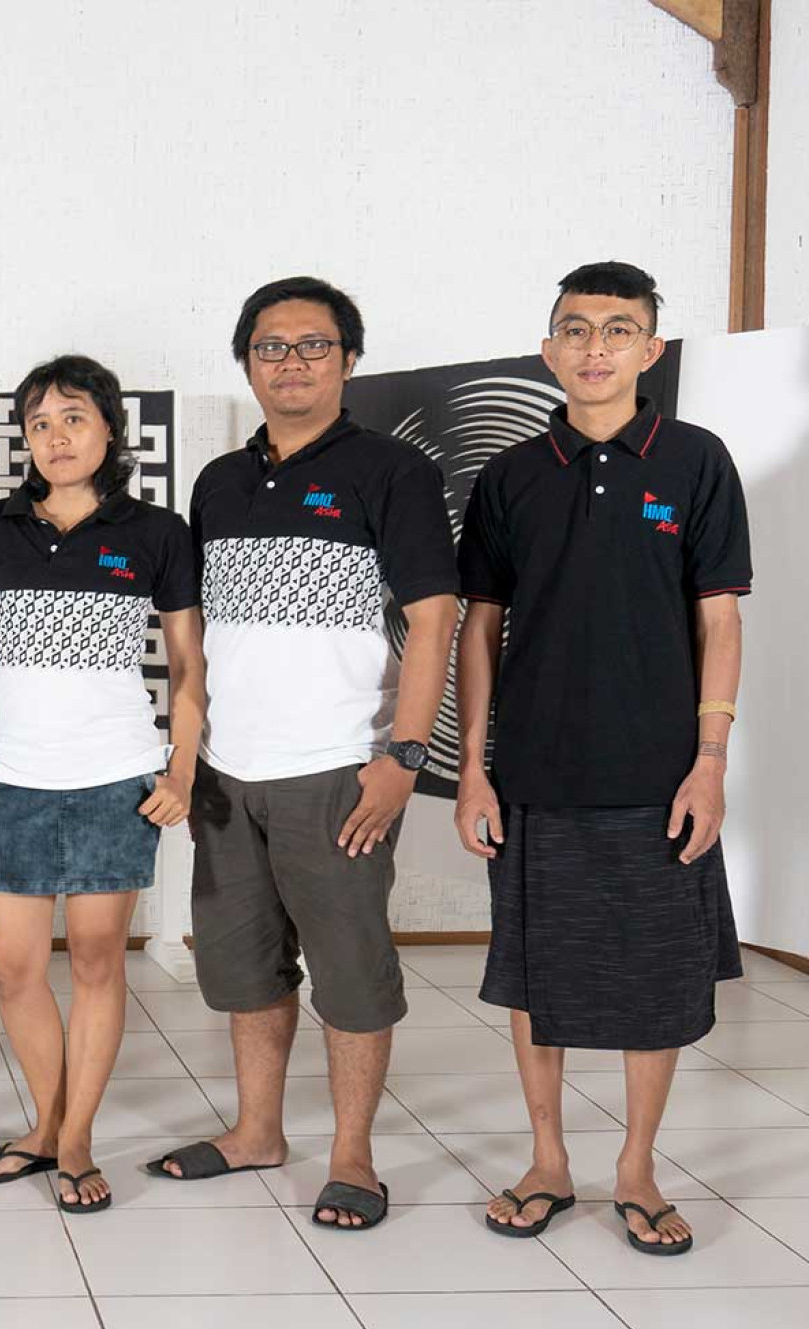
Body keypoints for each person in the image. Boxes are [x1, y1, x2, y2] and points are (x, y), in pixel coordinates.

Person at [144, 277, 458, 1231]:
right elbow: (202, 635)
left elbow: (434, 617)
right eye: (271, 347)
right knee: (244, 967)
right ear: (247, 362)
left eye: (313, 344)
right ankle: (257, 1131)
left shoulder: (392, 471)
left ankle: (354, 1154)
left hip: (337, 770)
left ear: (348, 359)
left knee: (351, 971)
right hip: (229, 773)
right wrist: (190, 756)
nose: (291, 362)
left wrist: (404, 755)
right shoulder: (219, 482)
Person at [456, 262, 750, 1255]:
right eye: (576, 329)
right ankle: (547, 1160)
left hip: (659, 773)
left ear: (649, 349)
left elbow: (719, 620)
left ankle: (635, 1168)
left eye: (617, 329)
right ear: (548, 350)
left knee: (655, 978)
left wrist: (709, 761)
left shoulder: (696, 462)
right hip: (531, 773)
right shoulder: (508, 475)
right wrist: (472, 767)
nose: (595, 348)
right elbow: (478, 627)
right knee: (533, 975)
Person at [0, 355, 205, 1214]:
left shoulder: (156, 532)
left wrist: (181, 767)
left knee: (96, 962)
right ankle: (45, 1127)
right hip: (15, 782)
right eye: (41, 423)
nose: (56, 437)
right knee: (16, 970)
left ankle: (76, 1138)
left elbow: (188, 664)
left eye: (75, 419)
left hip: (114, 782)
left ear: (109, 429)